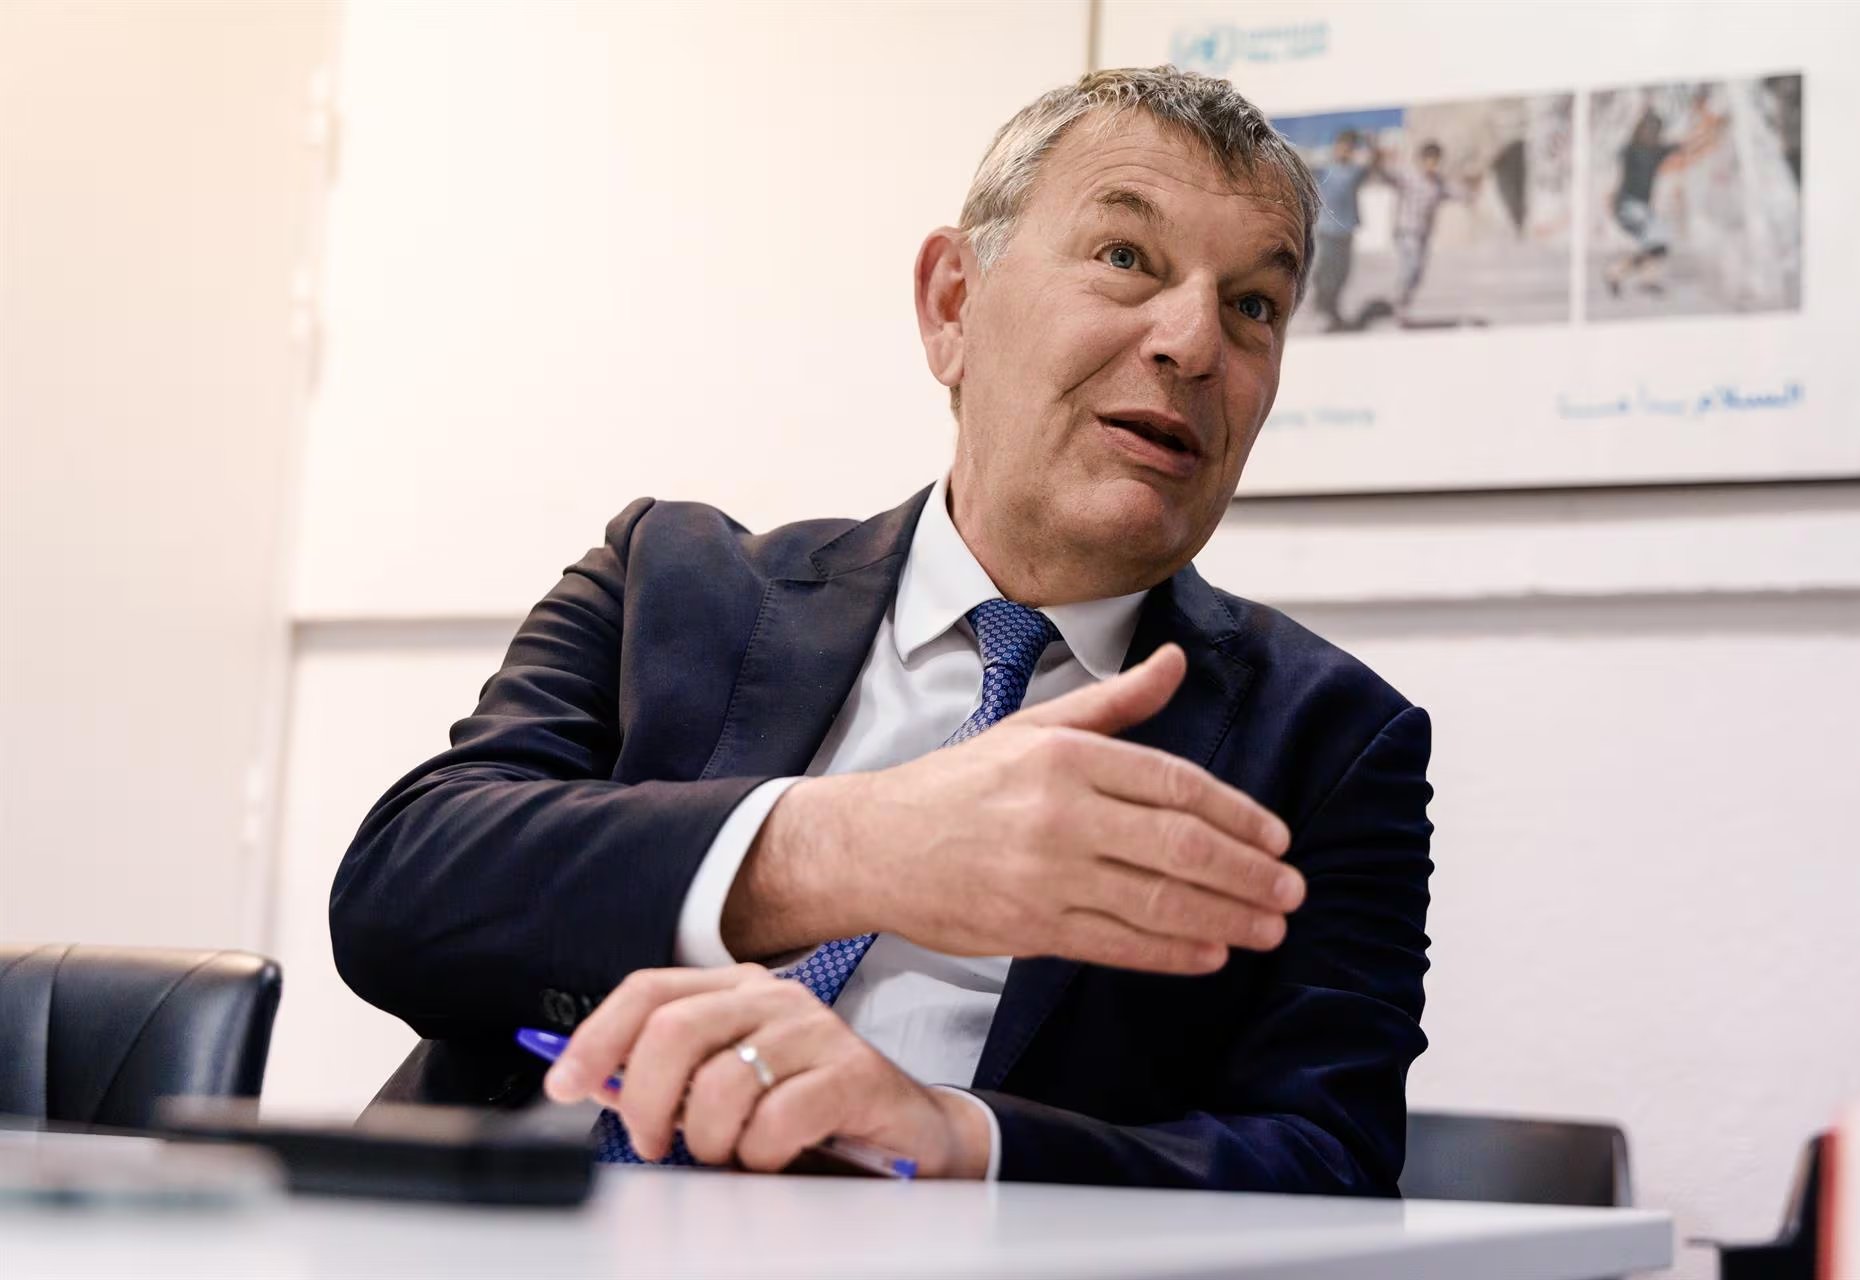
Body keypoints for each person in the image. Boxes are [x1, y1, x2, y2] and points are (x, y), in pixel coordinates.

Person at [331, 66, 1434, 1192]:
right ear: (954, 305)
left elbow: (1328, 1158)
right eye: (1124, 257)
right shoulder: (670, 580)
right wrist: (848, 848)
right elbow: (402, 897)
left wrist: (955, 1137)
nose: (1194, 342)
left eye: (1254, 305)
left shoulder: (1329, 742)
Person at [1604, 100, 1727, 298]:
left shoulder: (1656, 151)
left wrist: (1712, 131)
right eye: (1648, 130)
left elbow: (1688, 145)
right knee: (1657, 241)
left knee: (1658, 246)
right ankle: (1641, 277)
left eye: (1655, 131)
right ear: (1640, 130)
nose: (1651, 134)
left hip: (1639, 208)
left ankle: (1620, 273)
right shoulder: (1630, 150)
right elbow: (1615, 166)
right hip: (1627, 206)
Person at [1378, 140, 1478, 321]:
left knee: (1418, 273)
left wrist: (1471, 187)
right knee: (1411, 266)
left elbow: (1460, 194)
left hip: (1423, 234)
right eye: (1428, 160)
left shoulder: (1438, 184)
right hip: (1405, 230)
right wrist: (1379, 158)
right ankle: (1398, 302)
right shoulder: (1408, 177)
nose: (1431, 165)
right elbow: (1387, 176)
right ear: (1421, 160)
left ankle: (1402, 304)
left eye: (1435, 161)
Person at [1309, 129, 1373, 331]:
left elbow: (1371, 165)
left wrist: (1369, 143)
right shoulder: (1325, 169)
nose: (1345, 151)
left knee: (1342, 274)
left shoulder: (1355, 172)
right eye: (1342, 146)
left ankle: (1331, 311)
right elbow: (1303, 167)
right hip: (1327, 231)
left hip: (1346, 231)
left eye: (1349, 148)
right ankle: (1325, 311)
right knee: (1327, 274)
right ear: (1336, 147)